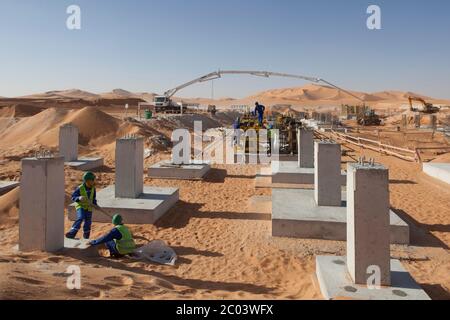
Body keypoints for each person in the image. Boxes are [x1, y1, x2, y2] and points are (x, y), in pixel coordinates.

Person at [65, 171, 98, 240]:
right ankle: (72, 233)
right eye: (93, 180)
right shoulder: (80, 188)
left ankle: (86, 236)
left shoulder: (93, 189)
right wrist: (79, 198)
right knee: (80, 217)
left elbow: (93, 198)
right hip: (81, 206)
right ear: (88, 181)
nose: (94, 182)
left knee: (88, 222)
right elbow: (73, 197)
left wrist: (95, 205)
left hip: (89, 208)